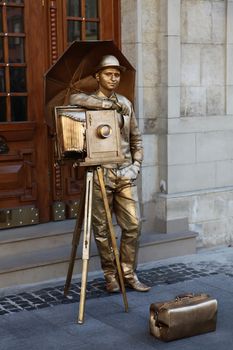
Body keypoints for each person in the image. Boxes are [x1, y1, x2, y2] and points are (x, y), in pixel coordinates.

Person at [70, 55, 150, 293]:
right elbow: (73, 97)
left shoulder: (125, 103)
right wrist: (105, 105)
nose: (114, 78)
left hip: (124, 171)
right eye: (108, 74)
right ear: (98, 76)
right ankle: (110, 275)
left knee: (133, 225)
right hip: (99, 174)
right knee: (103, 228)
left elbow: (136, 138)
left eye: (117, 75)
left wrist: (136, 165)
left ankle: (127, 272)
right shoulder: (86, 101)